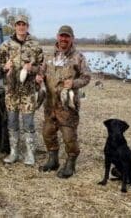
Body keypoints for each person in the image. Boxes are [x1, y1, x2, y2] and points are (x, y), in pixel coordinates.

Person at [41, 25, 91, 178]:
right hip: (50, 104)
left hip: (67, 105)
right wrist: (39, 77)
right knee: (47, 133)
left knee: (69, 136)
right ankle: (53, 159)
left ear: (72, 38)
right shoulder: (49, 56)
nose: (64, 39)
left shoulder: (78, 57)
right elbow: (42, 72)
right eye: (61, 36)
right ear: (57, 37)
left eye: (67, 36)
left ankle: (71, 163)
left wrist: (74, 83)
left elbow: (86, 77)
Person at [0, 15, 44, 166]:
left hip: (28, 92)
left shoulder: (35, 45)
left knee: (29, 123)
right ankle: (14, 153)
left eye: (23, 24)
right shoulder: (5, 45)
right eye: (18, 24)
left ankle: (30, 154)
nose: (21, 27)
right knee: (12, 122)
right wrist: (5, 67)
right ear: (14, 26)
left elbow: (42, 67)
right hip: (11, 92)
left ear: (27, 26)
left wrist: (33, 68)